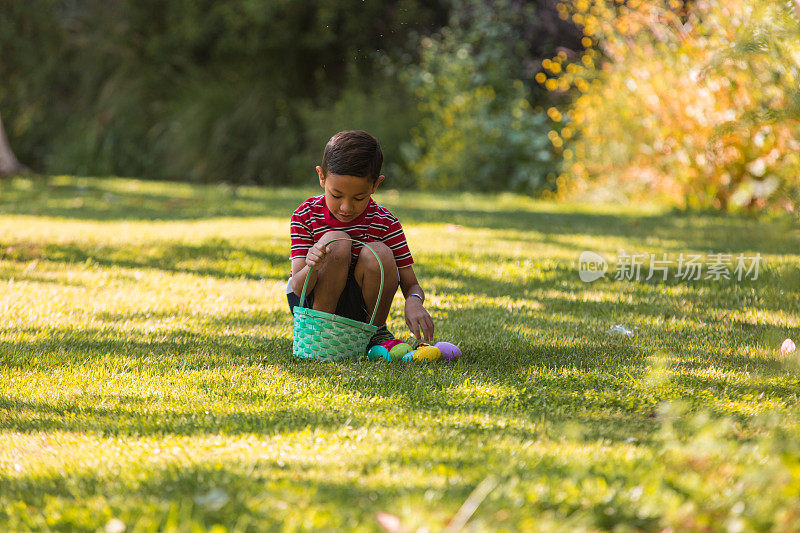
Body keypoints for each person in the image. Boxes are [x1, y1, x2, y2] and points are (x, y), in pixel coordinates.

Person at [286, 130, 434, 348]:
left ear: (375, 185)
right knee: (336, 241)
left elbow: (411, 284)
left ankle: (374, 333)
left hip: (360, 307)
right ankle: (322, 335)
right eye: (336, 195)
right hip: (312, 302)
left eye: (359, 197)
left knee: (381, 253)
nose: (346, 208)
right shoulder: (305, 215)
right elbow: (299, 288)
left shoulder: (386, 223)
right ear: (321, 177)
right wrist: (313, 266)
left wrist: (414, 301)